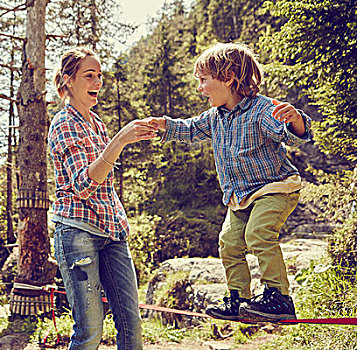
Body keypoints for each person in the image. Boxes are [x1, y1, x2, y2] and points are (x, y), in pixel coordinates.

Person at [146, 43, 312, 322]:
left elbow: (291, 136)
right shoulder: (214, 118)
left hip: (275, 187)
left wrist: (295, 120)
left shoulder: (261, 110)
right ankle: (239, 298)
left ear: (228, 77)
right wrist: (162, 124)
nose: (199, 88)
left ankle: (279, 298)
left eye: (203, 80)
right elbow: (188, 129)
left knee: (258, 234)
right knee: (229, 243)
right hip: (240, 196)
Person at [48, 47, 156, 349]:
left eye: (100, 76)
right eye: (89, 76)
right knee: (90, 331)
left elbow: (104, 183)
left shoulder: (96, 124)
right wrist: (119, 140)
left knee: (132, 330)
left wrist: (116, 140)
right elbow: (83, 185)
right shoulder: (63, 123)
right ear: (68, 80)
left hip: (112, 233)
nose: (97, 82)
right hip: (78, 233)